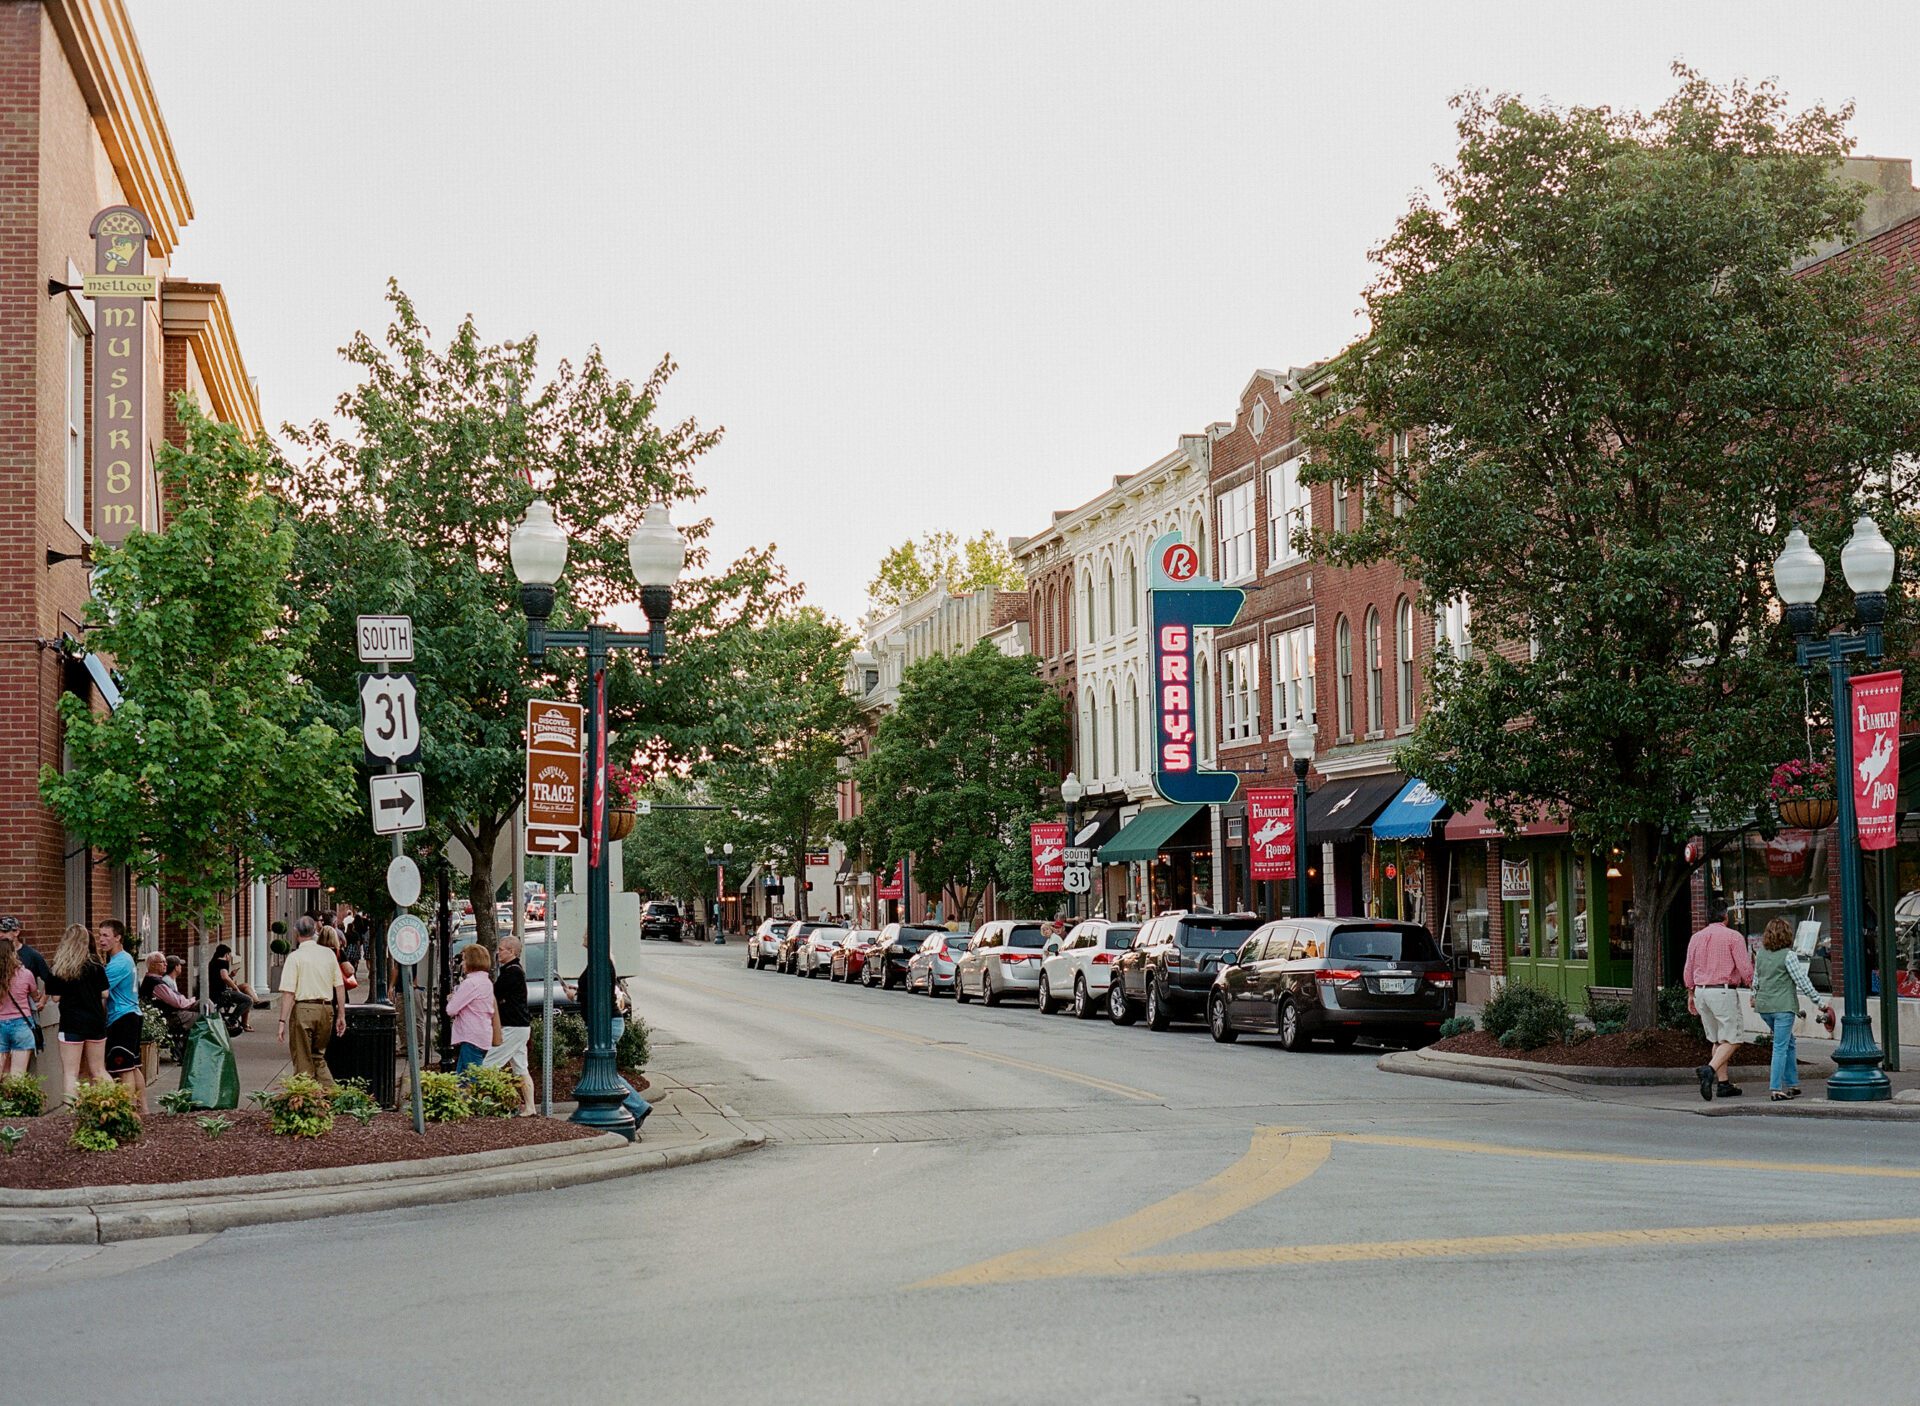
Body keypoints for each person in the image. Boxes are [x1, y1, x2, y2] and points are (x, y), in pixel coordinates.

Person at [1752, 917, 1831, 1102]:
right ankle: (1776, 1088)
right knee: (1780, 1046)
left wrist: (1753, 996)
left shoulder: (1761, 954)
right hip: (1783, 1007)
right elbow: (1803, 981)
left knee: (1789, 1042)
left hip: (1764, 1008)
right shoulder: (1789, 956)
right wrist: (1820, 1003)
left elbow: (1756, 980)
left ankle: (1793, 1083)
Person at [1684, 905, 1754, 1101]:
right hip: (1722, 991)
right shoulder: (1734, 937)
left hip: (1701, 991)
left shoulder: (1696, 938)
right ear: (1726, 917)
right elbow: (1744, 968)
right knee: (1733, 1038)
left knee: (1717, 1040)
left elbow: (1688, 967)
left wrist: (1691, 993)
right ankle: (1710, 1070)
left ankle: (1723, 1084)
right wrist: (1753, 986)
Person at [277, 915, 345, 1087]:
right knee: (318, 1057)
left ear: (296, 933)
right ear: (315, 931)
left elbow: (288, 993)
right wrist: (341, 1015)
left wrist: (282, 1021)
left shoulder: (295, 957)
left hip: (304, 1009)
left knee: (302, 1061)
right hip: (326, 1009)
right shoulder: (328, 954)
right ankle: (333, 1095)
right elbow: (339, 986)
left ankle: (307, 1097)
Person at [45, 921, 107, 1087]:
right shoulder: (95, 965)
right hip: (95, 1020)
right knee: (99, 1069)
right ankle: (114, 1101)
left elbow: (55, 998)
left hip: (71, 1022)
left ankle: (71, 1105)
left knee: (71, 1072)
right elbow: (105, 993)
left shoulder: (58, 967)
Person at [483, 935, 536, 1114]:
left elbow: (494, 993)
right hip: (520, 1027)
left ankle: (490, 1103)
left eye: (501, 949)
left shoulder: (512, 973)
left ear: (512, 951)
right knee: (521, 1068)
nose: (498, 953)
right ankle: (530, 1107)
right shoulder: (512, 971)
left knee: (488, 1066)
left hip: (513, 1027)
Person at [97, 918, 145, 1112]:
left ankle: (129, 1110)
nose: (101, 940)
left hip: (122, 1018)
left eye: (106, 935)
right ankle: (144, 1110)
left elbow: (100, 989)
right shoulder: (125, 958)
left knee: (124, 1068)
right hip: (132, 1015)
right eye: (100, 935)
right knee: (133, 1066)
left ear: (118, 937)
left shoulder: (118, 964)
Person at [446, 943, 497, 1074]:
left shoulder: (470, 983)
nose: (462, 964)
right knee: (462, 1078)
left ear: (472, 961)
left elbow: (451, 1009)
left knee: (473, 1077)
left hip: (471, 1036)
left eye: (464, 959)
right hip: (482, 1034)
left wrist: (452, 999)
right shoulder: (486, 982)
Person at [0, 932, 44, 1075]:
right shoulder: (25, 974)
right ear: (13, 954)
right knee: (18, 1075)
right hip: (21, 1024)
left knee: (3, 1074)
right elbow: (35, 996)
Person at [140, 953, 198, 1040]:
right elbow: (178, 1003)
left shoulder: (156, 980)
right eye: (162, 962)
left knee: (204, 1004)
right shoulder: (156, 983)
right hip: (170, 1017)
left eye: (165, 962)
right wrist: (192, 1000)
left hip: (172, 1013)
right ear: (152, 965)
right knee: (202, 1016)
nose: (166, 964)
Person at [207, 942, 258, 1032]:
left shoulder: (213, 962)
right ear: (226, 954)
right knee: (248, 1000)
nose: (230, 957)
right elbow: (224, 977)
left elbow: (220, 978)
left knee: (245, 986)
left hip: (218, 990)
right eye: (229, 954)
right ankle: (232, 1021)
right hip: (221, 993)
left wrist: (231, 975)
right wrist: (235, 987)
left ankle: (257, 1002)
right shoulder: (223, 962)